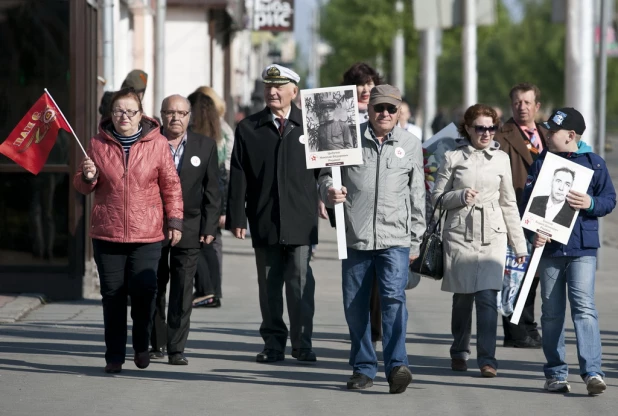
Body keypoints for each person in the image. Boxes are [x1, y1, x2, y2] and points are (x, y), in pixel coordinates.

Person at [319, 84, 425, 393]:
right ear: (369, 108)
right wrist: (328, 192)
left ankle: (397, 366)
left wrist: (416, 240)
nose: (385, 113)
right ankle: (363, 367)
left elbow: (418, 195)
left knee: (394, 300)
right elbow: (326, 177)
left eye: (391, 108)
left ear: (399, 111)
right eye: (379, 107)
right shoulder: (345, 137)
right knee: (355, 306)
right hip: (356, 237)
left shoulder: (411, 144)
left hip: (396, 239)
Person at [74, 87, 183, 373]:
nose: (124, 116)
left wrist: (174, 221)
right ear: (111, 114)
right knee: (113, 296)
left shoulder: (157, 143)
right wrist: (87, 177)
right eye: (118, 111)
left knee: (145, 292)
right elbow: (83, 185)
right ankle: (114, 355)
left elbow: (171, 185)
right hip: (107, 232)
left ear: (140, 114)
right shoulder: (97, 143)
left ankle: (142, 345)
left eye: (130, 111)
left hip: (147, 232)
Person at [226, 64, 318, 363]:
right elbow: (238, 175)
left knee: (300, 283)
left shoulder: (313, 125)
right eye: (268, 86)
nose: (272, 92)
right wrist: (237, 217)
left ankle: (303, 343)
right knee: (268, 285)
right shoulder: (249, 128)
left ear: (294, 91)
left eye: (279, 87)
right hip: (264, 218)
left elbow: (329, 169)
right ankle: (274, 344)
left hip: (301, 218)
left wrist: (331, 199)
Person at [523, 107, 616, 395]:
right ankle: (555, 373)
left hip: (582, 249)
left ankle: (593, 373)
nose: (547, 135)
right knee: (551, 312)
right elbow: (526, 206)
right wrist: (532, 233)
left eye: (553, 131)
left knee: (584, 308)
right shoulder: (541, 164)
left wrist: (589, 203)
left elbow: (609, 200)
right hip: (549, 249)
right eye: (547, 130)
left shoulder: (595, 164)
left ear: (571, 136)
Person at [432, 104, 528, 378]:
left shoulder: (501, 159)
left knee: (487, 299)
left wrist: (518, 244)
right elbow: (436, 198)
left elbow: (508, 202)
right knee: (462, 298)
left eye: (491, 128)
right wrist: (459, 197)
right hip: (460, 233)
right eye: (480, 128)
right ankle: (459, 350)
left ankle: (488, 360)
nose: (486, 133)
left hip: (493, 236)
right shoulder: (452, 157)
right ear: (468, 129)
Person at [149, 95, 220, 365]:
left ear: (190, 116)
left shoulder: (205, 146)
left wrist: (210, 226)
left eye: (181, 113)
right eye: (170, 112)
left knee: (182, 288)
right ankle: (156, 342)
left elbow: (213, 190)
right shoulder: (151, 143)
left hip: (191, 226)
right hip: (154, 224)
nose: (175, 118)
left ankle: (177, 348)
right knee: (154, 285)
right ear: (161, 115)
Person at [494, 82, 547, 349]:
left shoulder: (548, 135)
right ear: (510, 104)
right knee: (514, 274)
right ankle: (514, 332)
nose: (522, 107)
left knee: (534, 273)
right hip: (512, 214)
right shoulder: (501, 136)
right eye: (517, 102)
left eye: (527, 102)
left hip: (542, 216)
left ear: (537, 106)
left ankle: (528, 325)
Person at [341, 62, 383, 350]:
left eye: (370, 84)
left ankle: (376, 329)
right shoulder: (340, 118)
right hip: (350, 202)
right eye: (360, 85)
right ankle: (361, 331)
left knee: (382, 275)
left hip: (382, 207)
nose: (366, 90)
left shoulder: (384, 115)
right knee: (357, 274)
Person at [190, 86, 235, 304]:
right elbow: (225, 173)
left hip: (200, 198)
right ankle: (213, 292)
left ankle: (207, 290)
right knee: (212, 244)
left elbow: (223, 171)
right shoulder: (221, 132)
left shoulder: (197, 135)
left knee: (200, 244)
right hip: (215, 197)